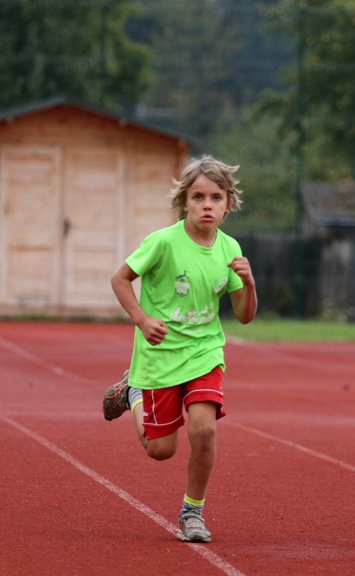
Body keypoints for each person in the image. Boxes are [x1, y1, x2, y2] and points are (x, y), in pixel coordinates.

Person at [102, 155, 257, 543]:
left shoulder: (230, 249)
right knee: (160, 450)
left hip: (205, 352)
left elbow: (244, 316)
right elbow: (120, 279)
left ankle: (192, 513)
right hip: (160, 355)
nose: (207, 205)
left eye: (216, 198)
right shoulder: (163, 242)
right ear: (184, 202)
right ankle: (133, 391)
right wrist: (142, 320)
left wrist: (250, 284)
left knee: (204, 430)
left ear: (228, 203)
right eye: (198, 197)